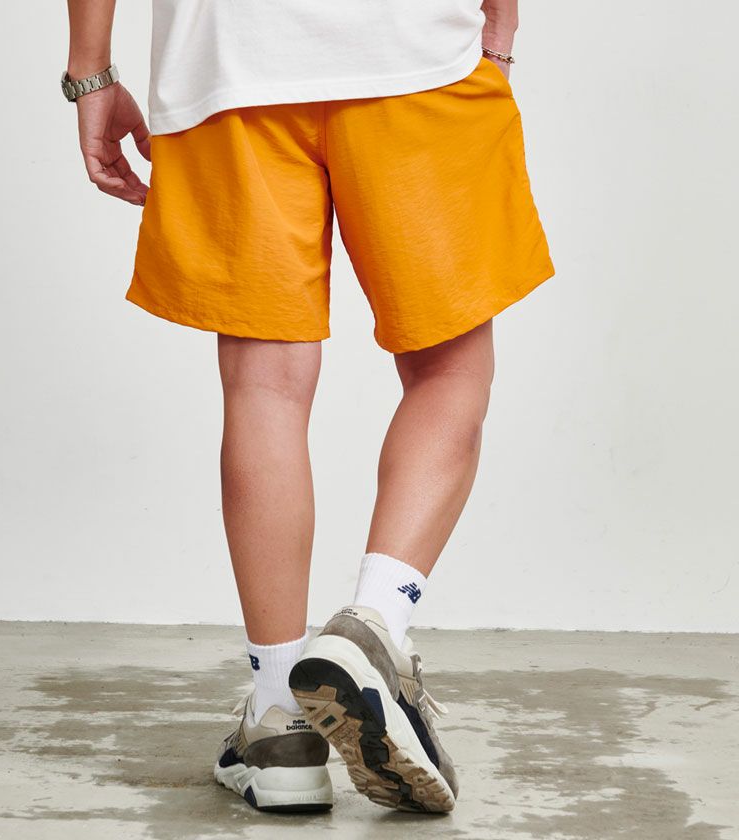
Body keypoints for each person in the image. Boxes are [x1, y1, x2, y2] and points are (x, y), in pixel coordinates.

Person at [64, 0, 554, 815]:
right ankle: (375, 628)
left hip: (229, 62)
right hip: (414, 55)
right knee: (449, 370)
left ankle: (279, 722)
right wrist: (499, 22)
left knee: (266, 386)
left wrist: (91, 72)